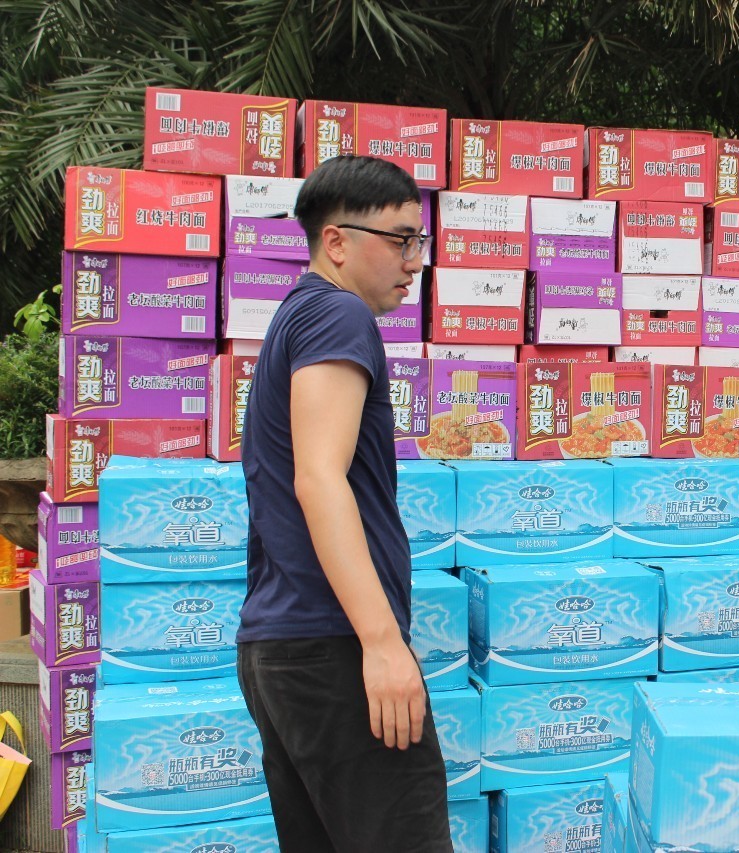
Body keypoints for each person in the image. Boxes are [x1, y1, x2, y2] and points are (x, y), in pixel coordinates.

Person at [236, 155, 452, 850]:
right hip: (333, 648)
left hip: (285, 648)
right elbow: (319, 479)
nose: (414, 261)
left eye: (419, 241)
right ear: (335, 240)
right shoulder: (337, 314)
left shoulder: (298, 315)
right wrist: (382, 643)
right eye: (399, 240)